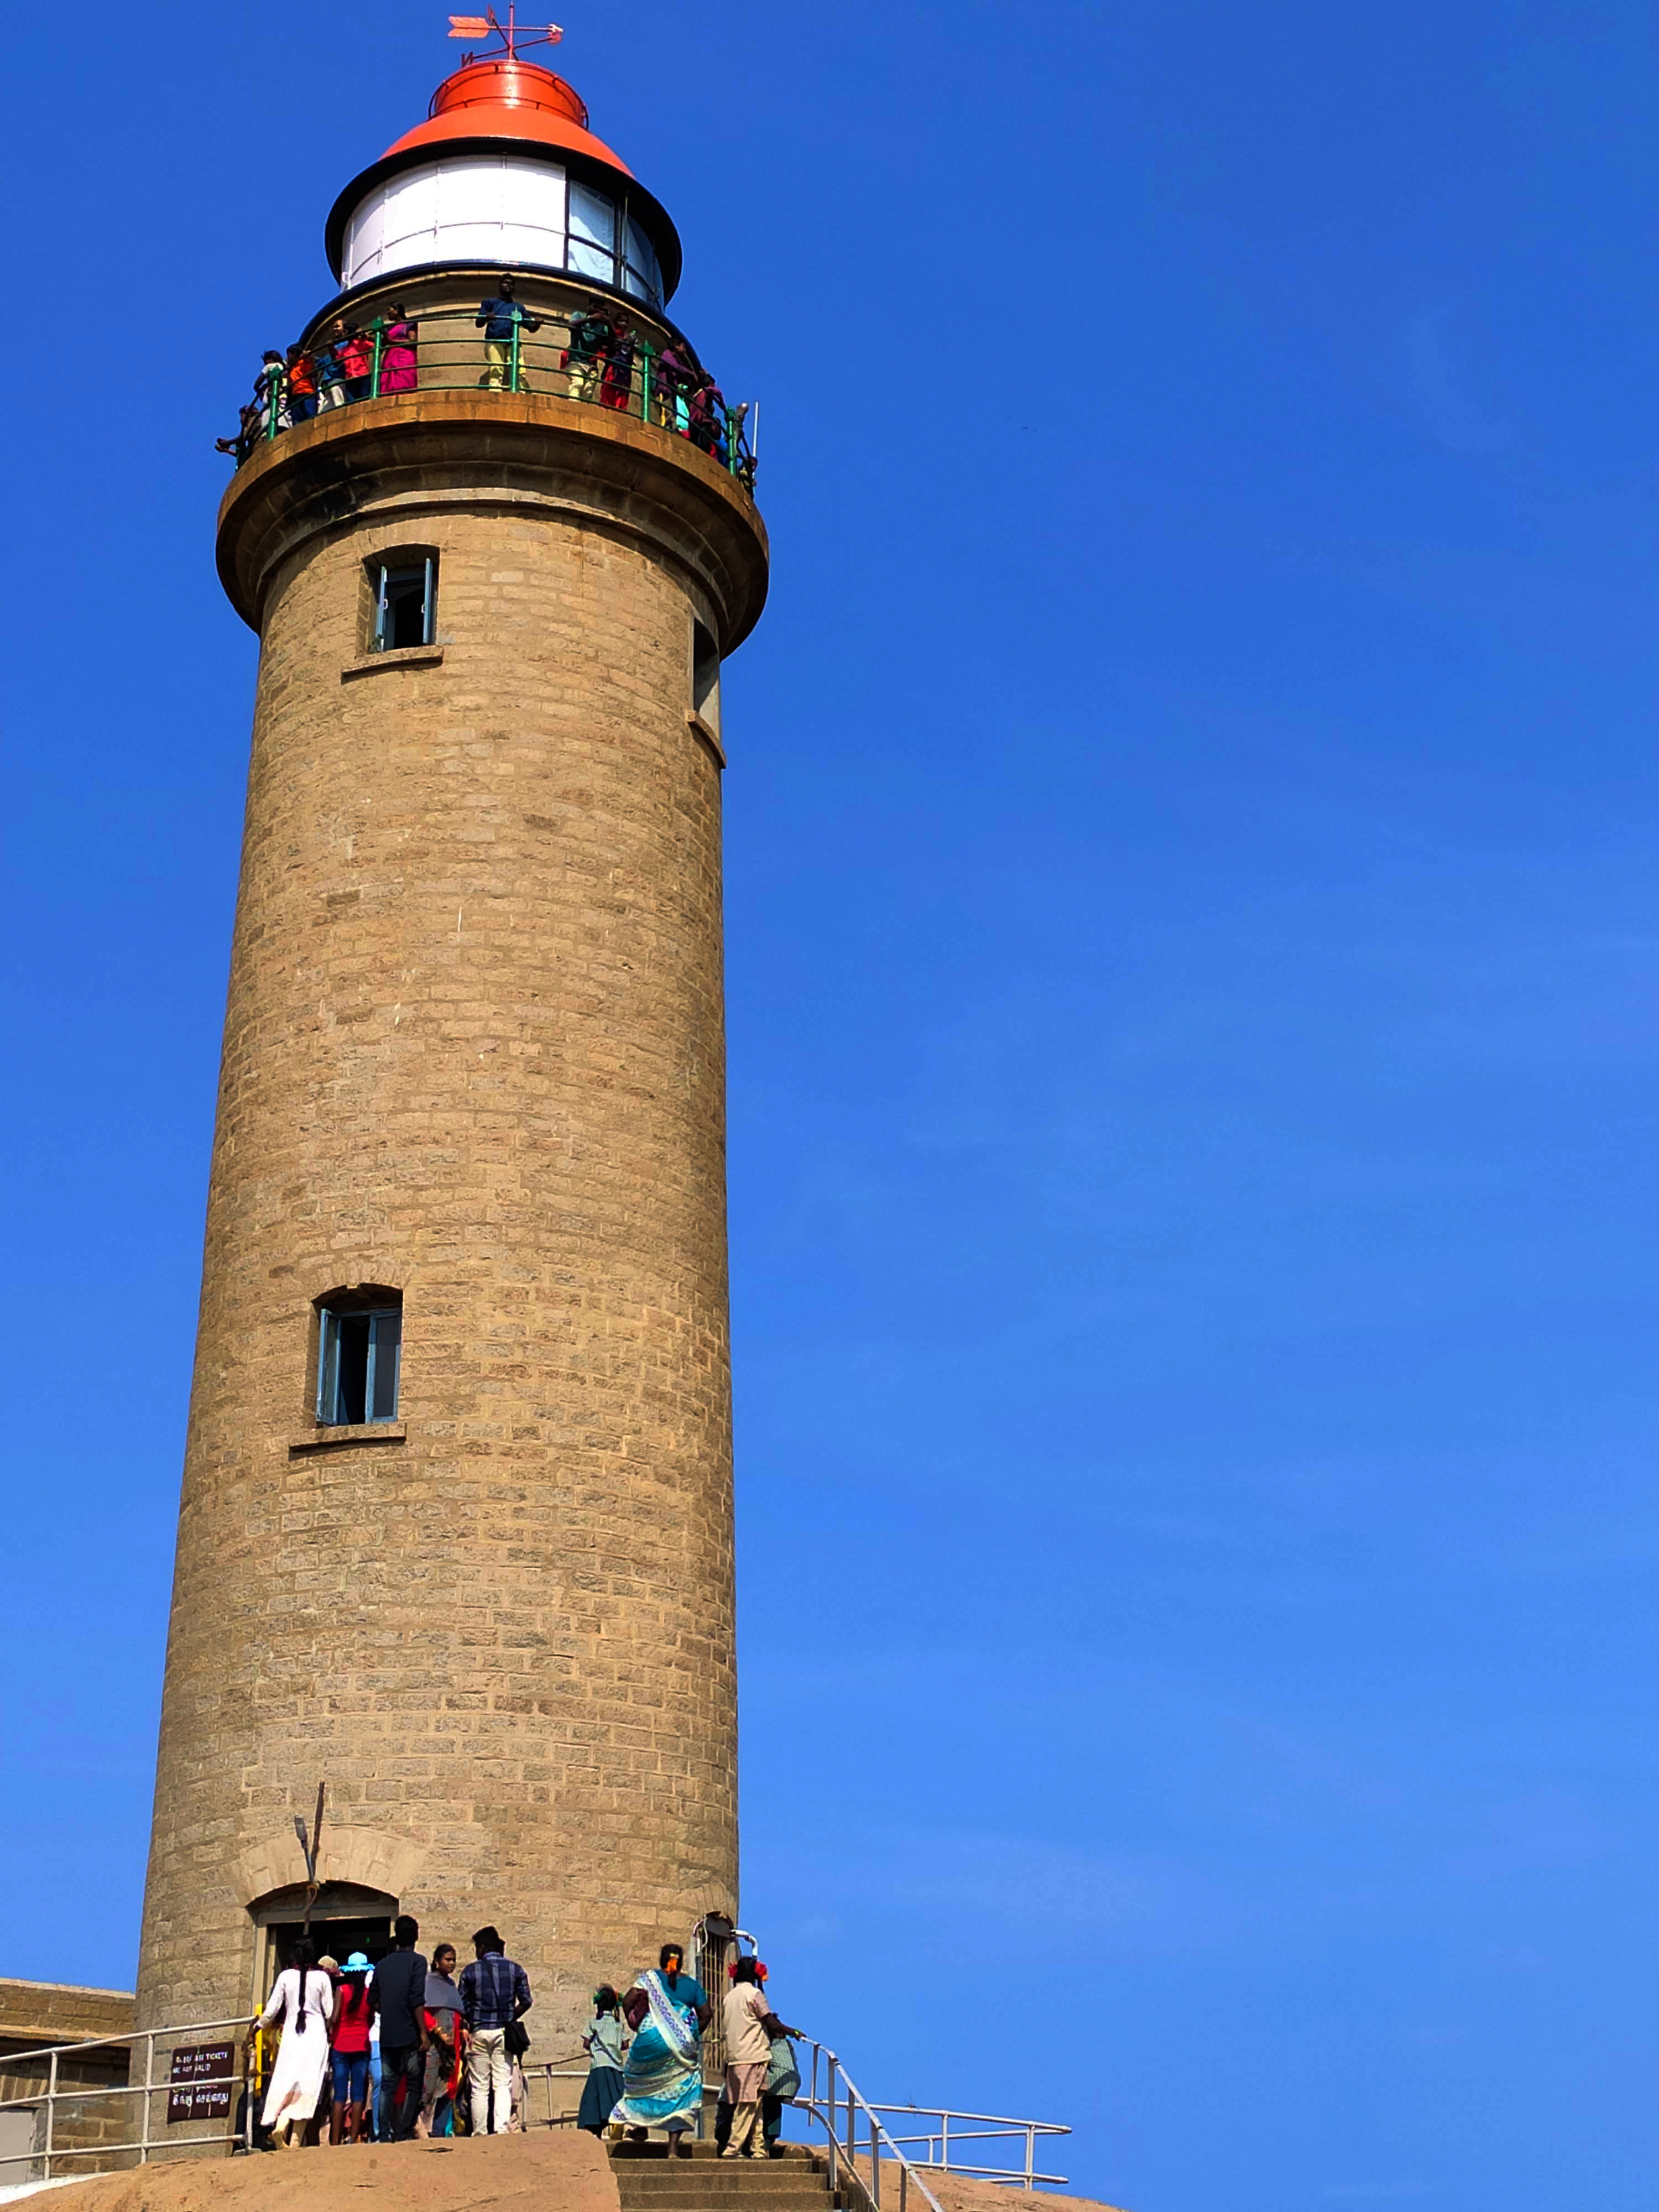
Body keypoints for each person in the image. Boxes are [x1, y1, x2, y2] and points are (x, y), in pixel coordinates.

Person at [612, 1942, 709, 2156]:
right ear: (680, 1962)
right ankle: (673, 2149)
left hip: (650, 2038)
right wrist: (690, 2035)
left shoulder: (649, 1979)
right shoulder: (692, 1986)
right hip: (682, 2042)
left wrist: (635, 2024)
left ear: (662, 1960)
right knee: (681, 2089)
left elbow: (627, 2002)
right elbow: (706, 2014)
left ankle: (639, 2127)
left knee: (641, 2082)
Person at [252, 1936, 333, 2148]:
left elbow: (272, 2010)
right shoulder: (323, 1978)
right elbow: (330, 2011)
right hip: (315, 2036)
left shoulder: (285, 1976)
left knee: (286, 2082)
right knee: (308, 2087)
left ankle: (280, 2127)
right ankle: (295, 2141)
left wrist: (257, 2028)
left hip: (291, 2036)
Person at [718, 1957, 798, 2160]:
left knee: (756, 2105)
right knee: (747, 2105)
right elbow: (771, 2022)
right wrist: (792, 2031)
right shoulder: (754, 1995)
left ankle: (758, 2149)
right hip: (752, 2056)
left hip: (734, 2057)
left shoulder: (729, 1997)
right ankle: (732, 2148)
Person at [459, 1924, 532, 2136]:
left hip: (479, 2031)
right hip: (504, 2032)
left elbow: (462, 2004)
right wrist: (511, 2017)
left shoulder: (471, 1970)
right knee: (502, 2083)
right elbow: (527, 2000)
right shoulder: (515, 1969)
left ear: (481, 1947)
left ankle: (480, 2131)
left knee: (479, 2086)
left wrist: (472, 2020)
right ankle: (501, 2130)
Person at [373, 1916, 428, 2142]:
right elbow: (417, 1999)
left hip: (388, 2033)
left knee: (388, 2085)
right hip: (410, 2033)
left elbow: (373, 1999)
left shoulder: (382, 1965)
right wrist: (423, 2032)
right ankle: (403, 2131)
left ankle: (384, 2133)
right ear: (416, 1936)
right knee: (413, 2084)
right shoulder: (418, 1962)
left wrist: (389, 2010)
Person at [328, 1953, 376, 2145]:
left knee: (339, 2095)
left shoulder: (342, 1990)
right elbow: (371, 2019)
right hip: (361, 2046)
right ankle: (354, 2137)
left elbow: (335, 2018)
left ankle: (334, 2140)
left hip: (341, 2046)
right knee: (358, 2095)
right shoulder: (368, 1994)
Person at [576, 1986, 628, 2137]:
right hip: (616, 2067)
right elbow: (625, 2044)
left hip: (599, 2066)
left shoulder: (594, 2023)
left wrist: (594, 2045)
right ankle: (616, 2121)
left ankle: (595, 2129)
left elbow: (586, 2043)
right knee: (615, 2096)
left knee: (595, 2100)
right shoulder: (619, 2025)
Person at [476, 276, 541, 392]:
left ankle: (520, 392)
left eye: (511, 284)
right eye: (505, 283)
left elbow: (531, 327)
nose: (508, 286)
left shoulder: (518, 307)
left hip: (513, 342)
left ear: (514, 288)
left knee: (519, 369)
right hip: (494, 340)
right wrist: (486, 317)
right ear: (500, 286)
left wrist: (537, 323)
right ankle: (495, 391)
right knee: (496, 367)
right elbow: (478, 323)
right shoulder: (490, 303)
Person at [561, 299, 612, 404]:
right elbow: (571, 325)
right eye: (595, 307)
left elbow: (610, 342)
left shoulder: (602, 326)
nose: (597, 310)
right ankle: (573, 409)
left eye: (600, 309)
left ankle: (583, 413)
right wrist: (590, 319)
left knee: (588, 392)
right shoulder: (579, 315)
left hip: (591, 365)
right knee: (577, 383)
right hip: (575, 360)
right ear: (588, 306)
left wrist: (609, 324)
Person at [379, 307, 419, 394]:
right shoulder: (390, 328)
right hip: (391, 357)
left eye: (389, 310)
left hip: (404, 355)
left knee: (404, 378)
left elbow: (413, 341)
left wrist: (393, 342)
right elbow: (383, 343)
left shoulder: (409, 324)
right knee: (388, 382)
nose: (387, 313)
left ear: (397, 310)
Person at [599, 317, 636, 412]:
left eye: (626, 322)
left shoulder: (629, 338)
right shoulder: (612, 334)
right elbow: (606, 348)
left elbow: (630, 359)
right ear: (616, 322)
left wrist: (631, 346)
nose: (624, 324)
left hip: (625, 372)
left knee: (622, 395)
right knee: (608, 393)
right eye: (621, 321)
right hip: (613, 368)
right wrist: (623, 342)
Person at [317, 319, 351, 409]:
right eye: (334, 327)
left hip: (338, 378)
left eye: (337, 326)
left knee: (338, 400)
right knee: (326, 408)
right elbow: (322, 362)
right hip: (328, 381)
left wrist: (331, 348)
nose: (334, 329)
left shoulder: (347, 344)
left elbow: (338, 358)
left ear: (345, 329)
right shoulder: (336, 345)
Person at [338, 325, 374, 401]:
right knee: (352, 401)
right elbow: (337, 358)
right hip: (350, 378)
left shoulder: (360, 343)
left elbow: (372, 345)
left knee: (365, 398)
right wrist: (331, 347)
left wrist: (364, 336)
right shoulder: (345, 349)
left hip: (362, 375)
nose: (343, 334)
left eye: (345, 331)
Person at [285, 342, 318, 422]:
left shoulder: (304, 362)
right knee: (297, 419)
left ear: (294, 354)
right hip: (295, 395)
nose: (288, 358)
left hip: (306, 392)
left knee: (310, 414)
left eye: (289, 355)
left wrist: (310, 358)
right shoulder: (292, 368)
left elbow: (314, 373)